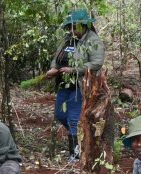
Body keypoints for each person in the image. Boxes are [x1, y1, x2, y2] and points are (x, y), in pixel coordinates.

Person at [44, 9, 105, 162]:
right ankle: (82, 134)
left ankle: (75, 155)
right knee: (60, 114)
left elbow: (97, 63)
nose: (71, 30)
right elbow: (57, 57)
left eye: (74, 27)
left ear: (83, 25)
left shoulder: (92, 40)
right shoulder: (67, 39)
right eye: (69, 27)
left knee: (73, 119)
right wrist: (53, 68)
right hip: (64, 84)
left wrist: (74, 70)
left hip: (80, 85)